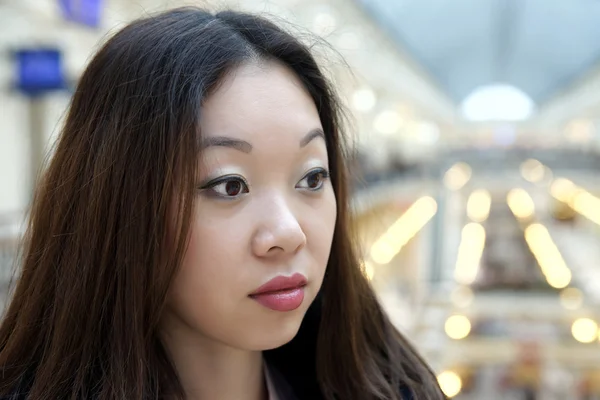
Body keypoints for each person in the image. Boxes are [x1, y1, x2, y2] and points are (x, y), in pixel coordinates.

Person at [0, 7, 445, 400]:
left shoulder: (392, 389)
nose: (289, 233)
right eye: (230, 185)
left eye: (312, 178)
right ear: (122, 204)